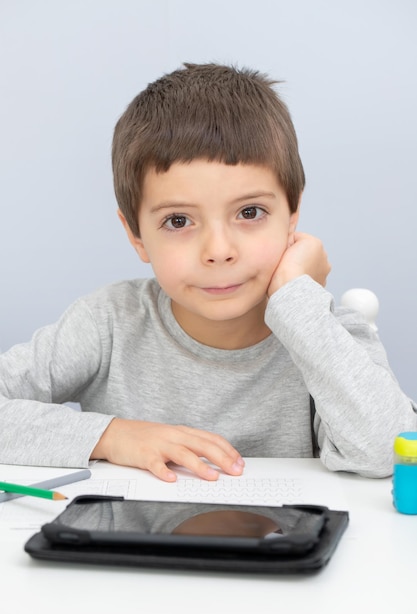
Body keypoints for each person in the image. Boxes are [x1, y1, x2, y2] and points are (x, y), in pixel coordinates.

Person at [0, 63, 415, 482]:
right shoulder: (108, 323)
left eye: (250, 212)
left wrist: (297, 302)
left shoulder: (326, 332)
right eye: (179, 221)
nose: (218, 251)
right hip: (140, 543)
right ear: (136, 235)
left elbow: (387, 453)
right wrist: (112, 435)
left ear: (292, 215)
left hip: (277, 544)